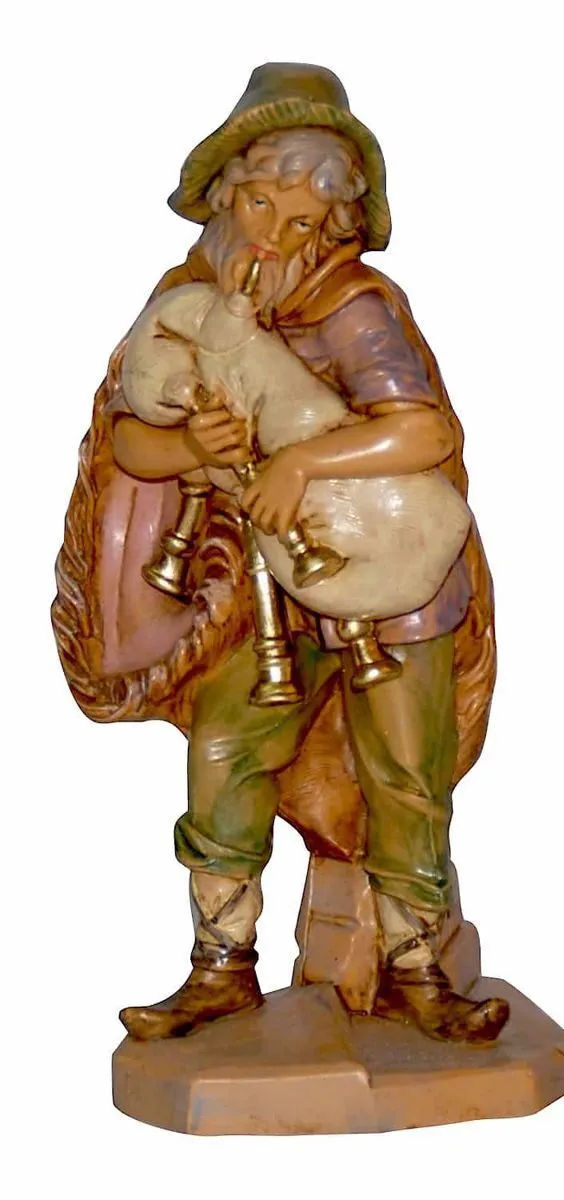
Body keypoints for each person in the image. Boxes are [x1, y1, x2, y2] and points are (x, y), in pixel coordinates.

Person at [53, 63, 509, 1045]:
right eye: (260, 204)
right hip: (258, 591)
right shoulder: (185, 300)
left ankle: (417, 972)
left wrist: (302, 462)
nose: (274, 235)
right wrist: (191, 446)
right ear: (226, 193)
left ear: (334, 226)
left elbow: (423, 431)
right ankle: (220, 965)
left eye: (303, 221)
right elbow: (130, 441)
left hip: (386, 581)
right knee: (226, 750)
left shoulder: (353, 306)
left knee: (404, 772)